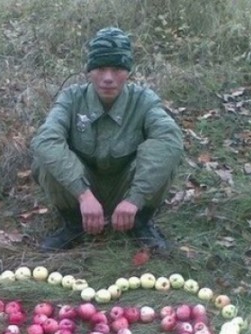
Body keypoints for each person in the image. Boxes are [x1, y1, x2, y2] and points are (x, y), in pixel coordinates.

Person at [30, 27, 184, 252]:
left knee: (166, 157)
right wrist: (83, 195)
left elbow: (170, 141)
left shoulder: (144, 100)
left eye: (117, 69)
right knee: (45, 159)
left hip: (127, 187)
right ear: (89, 71)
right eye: (101, 68)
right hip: (82, 188)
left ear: (128, 72)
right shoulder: (72, 98)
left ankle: (140, 223)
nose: (108, 78)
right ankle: (74, 225)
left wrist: (135, 199)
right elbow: (45, 140)